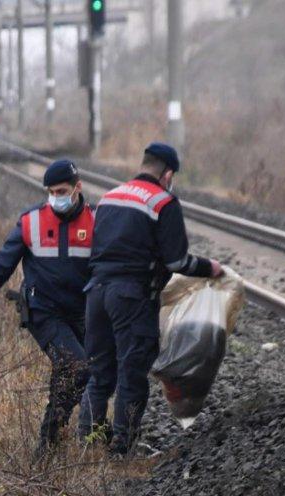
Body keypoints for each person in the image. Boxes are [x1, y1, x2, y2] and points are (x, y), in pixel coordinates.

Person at [80, 142, 222, 456]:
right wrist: (209, 267)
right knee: (131, 374)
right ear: (167, 174)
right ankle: (122, 451)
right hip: (130, 297)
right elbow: (177, 261)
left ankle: (85, 449)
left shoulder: (110, 196)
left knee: (99, 374)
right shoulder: (163, 202)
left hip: (96, 293)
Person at [0, 159, 94, 460]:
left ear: (78, 188)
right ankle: (48, 444)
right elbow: (1, 265)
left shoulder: (95, 222)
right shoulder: (32, 222)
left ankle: (53, 447)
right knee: (76, 366)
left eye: (62, 191)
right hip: (43, 311)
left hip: (80, 312)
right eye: (50, 192)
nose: (55, 197)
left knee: (80, 372)